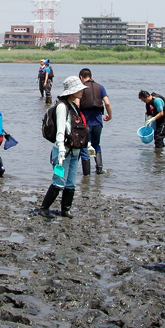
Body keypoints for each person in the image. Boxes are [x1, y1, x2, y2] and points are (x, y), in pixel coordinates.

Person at [37, 76, 89, 217]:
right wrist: (60, 149)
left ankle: (65, 209)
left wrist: (88, 145)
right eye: (79, 89)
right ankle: (44, 208)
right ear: (71, 91)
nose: (82, 91)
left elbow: (79, 129)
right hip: (62, 152)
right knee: (59, 181)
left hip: (74, 152)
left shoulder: (74, 107)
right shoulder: (62, 106)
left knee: (71, 183)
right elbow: (60, 130)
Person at [77, 68, 112, 175]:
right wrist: (110, 115)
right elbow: (107, 103)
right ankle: (99, 169)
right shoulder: (100, 87)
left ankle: (86, 175)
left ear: (81, 78)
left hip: (85, 123)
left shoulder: (81, 88)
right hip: (98, 122)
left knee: (84, 147)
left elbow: (77, 104)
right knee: (96, 145)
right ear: (91, 77)